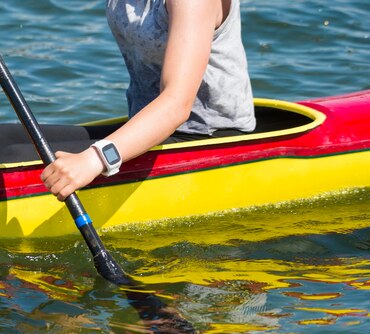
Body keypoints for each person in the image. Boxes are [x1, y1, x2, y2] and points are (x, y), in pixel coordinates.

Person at [41, 0, 256, 201]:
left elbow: (176, 105)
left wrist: (95, 160)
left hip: (207, 137)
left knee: (15, 155)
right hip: (146, 130)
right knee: (7, 140)